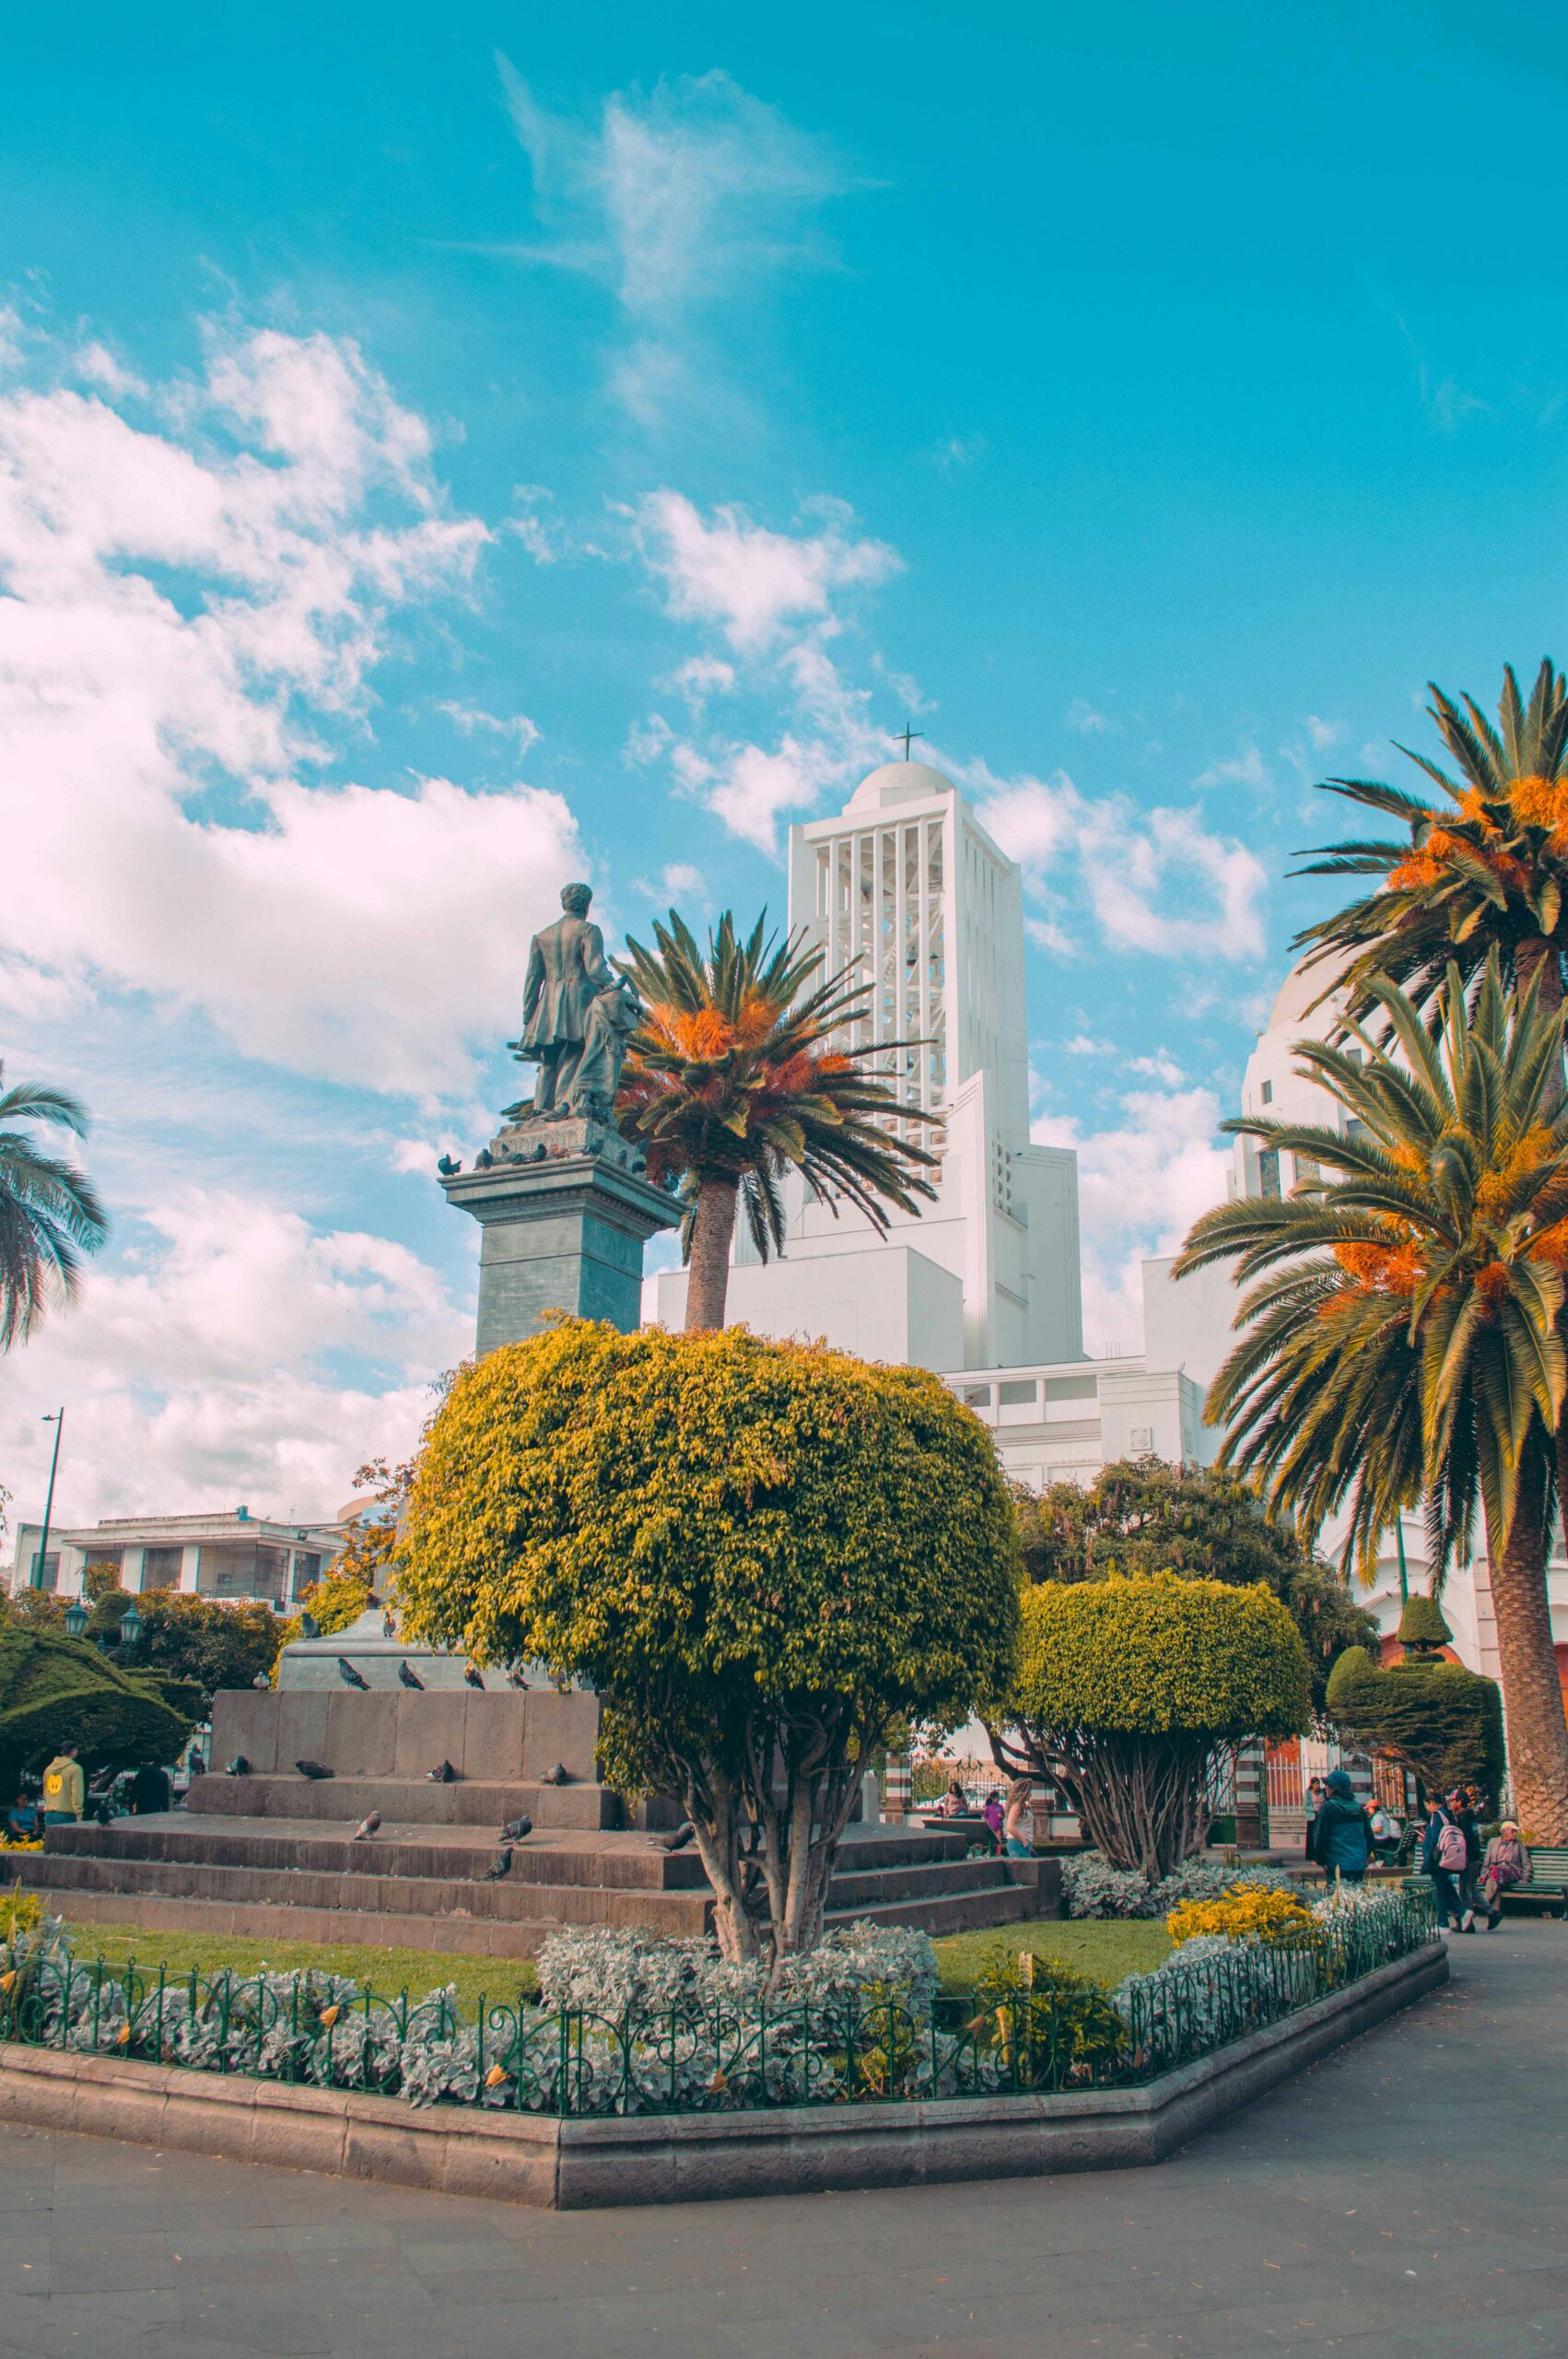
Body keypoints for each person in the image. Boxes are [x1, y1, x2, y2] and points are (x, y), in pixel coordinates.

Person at [1310, 1767, 1373, 1886]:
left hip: (1336, 1864)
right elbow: (1369, 1838)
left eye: (1327, 1786)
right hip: (1358, 1864)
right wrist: (1363, 1858)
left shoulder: (1327, 1809)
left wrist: (1322, 1861)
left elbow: (1319, 1838)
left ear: (1333, 1789)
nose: (1325, 1789)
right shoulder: (1359, 1810)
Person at [1422, 1790, 1470, 1931]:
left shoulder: (1437, 1815)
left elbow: (1434, 1838)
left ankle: (1444, 1922)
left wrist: (1428, 1857)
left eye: (1427, 1805)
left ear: (1432, 1803)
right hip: (1448, 1856)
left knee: (1439, 1891)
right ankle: (1461, 1913)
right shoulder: (1448, 1814)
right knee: (1445, 1888)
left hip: (1438, 1858)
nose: (1427, 1808)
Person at [1479, 1820, 1529, 1929]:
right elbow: (1487, 1862)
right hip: (1495, 1872)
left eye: (1516, 1832)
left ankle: (1482, 1903)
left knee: (1495, 1875)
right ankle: (1494, 1913)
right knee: (1495, 1879)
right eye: (1513, 1831)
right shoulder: (1493, 1842)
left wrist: (1525, 1878)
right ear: (1504, 1831)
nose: (1515, 1834)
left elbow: (1526, 1863)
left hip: (1511, 1870)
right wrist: (1483, 1874)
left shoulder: (1518, 1844)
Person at [40, 1743, 84, 1826]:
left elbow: (45, 1791)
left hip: (49, 1813)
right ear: (74, 1752)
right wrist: (79, 1814)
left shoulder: (48, 1769)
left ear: (62, 1751)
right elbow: (77, 1793)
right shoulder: (75, 1769)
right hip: (67, 1813)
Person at [1003, 1777, 1034, 1858]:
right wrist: (1024, 1841)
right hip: (1017, 1842)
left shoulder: (1022, 1806)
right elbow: (1010, 1827)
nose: (1030, 1794)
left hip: (1022, 1842)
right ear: (1024, 1792)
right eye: (1029, 1791)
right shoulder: (1017, 1805)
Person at [1305, 1776, 1326, 1860]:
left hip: (1321, 1815)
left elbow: (1324, 1801)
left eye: (1318, 1784)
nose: (1317, 1786)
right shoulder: (1308, 1793)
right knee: (1312, 1836)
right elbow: (1305, 1806)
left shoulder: (1321, 1792)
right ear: (1312, 1784)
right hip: (1312, 1816)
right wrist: (1314, 1809)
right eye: (1316, 1784)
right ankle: (1311, 1855)